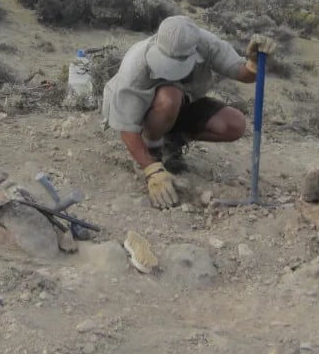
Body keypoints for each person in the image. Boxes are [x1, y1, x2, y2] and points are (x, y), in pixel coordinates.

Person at [101, 15, 277, 209]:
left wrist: (254, 63)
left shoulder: (207, 44)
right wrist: (151, 169)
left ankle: (171, 143)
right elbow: (126, 126)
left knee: (234, 124)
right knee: (170, 96)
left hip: (182, 103)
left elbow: (242, 74)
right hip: (142, 111)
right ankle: (152, 150)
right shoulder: (135, 64)